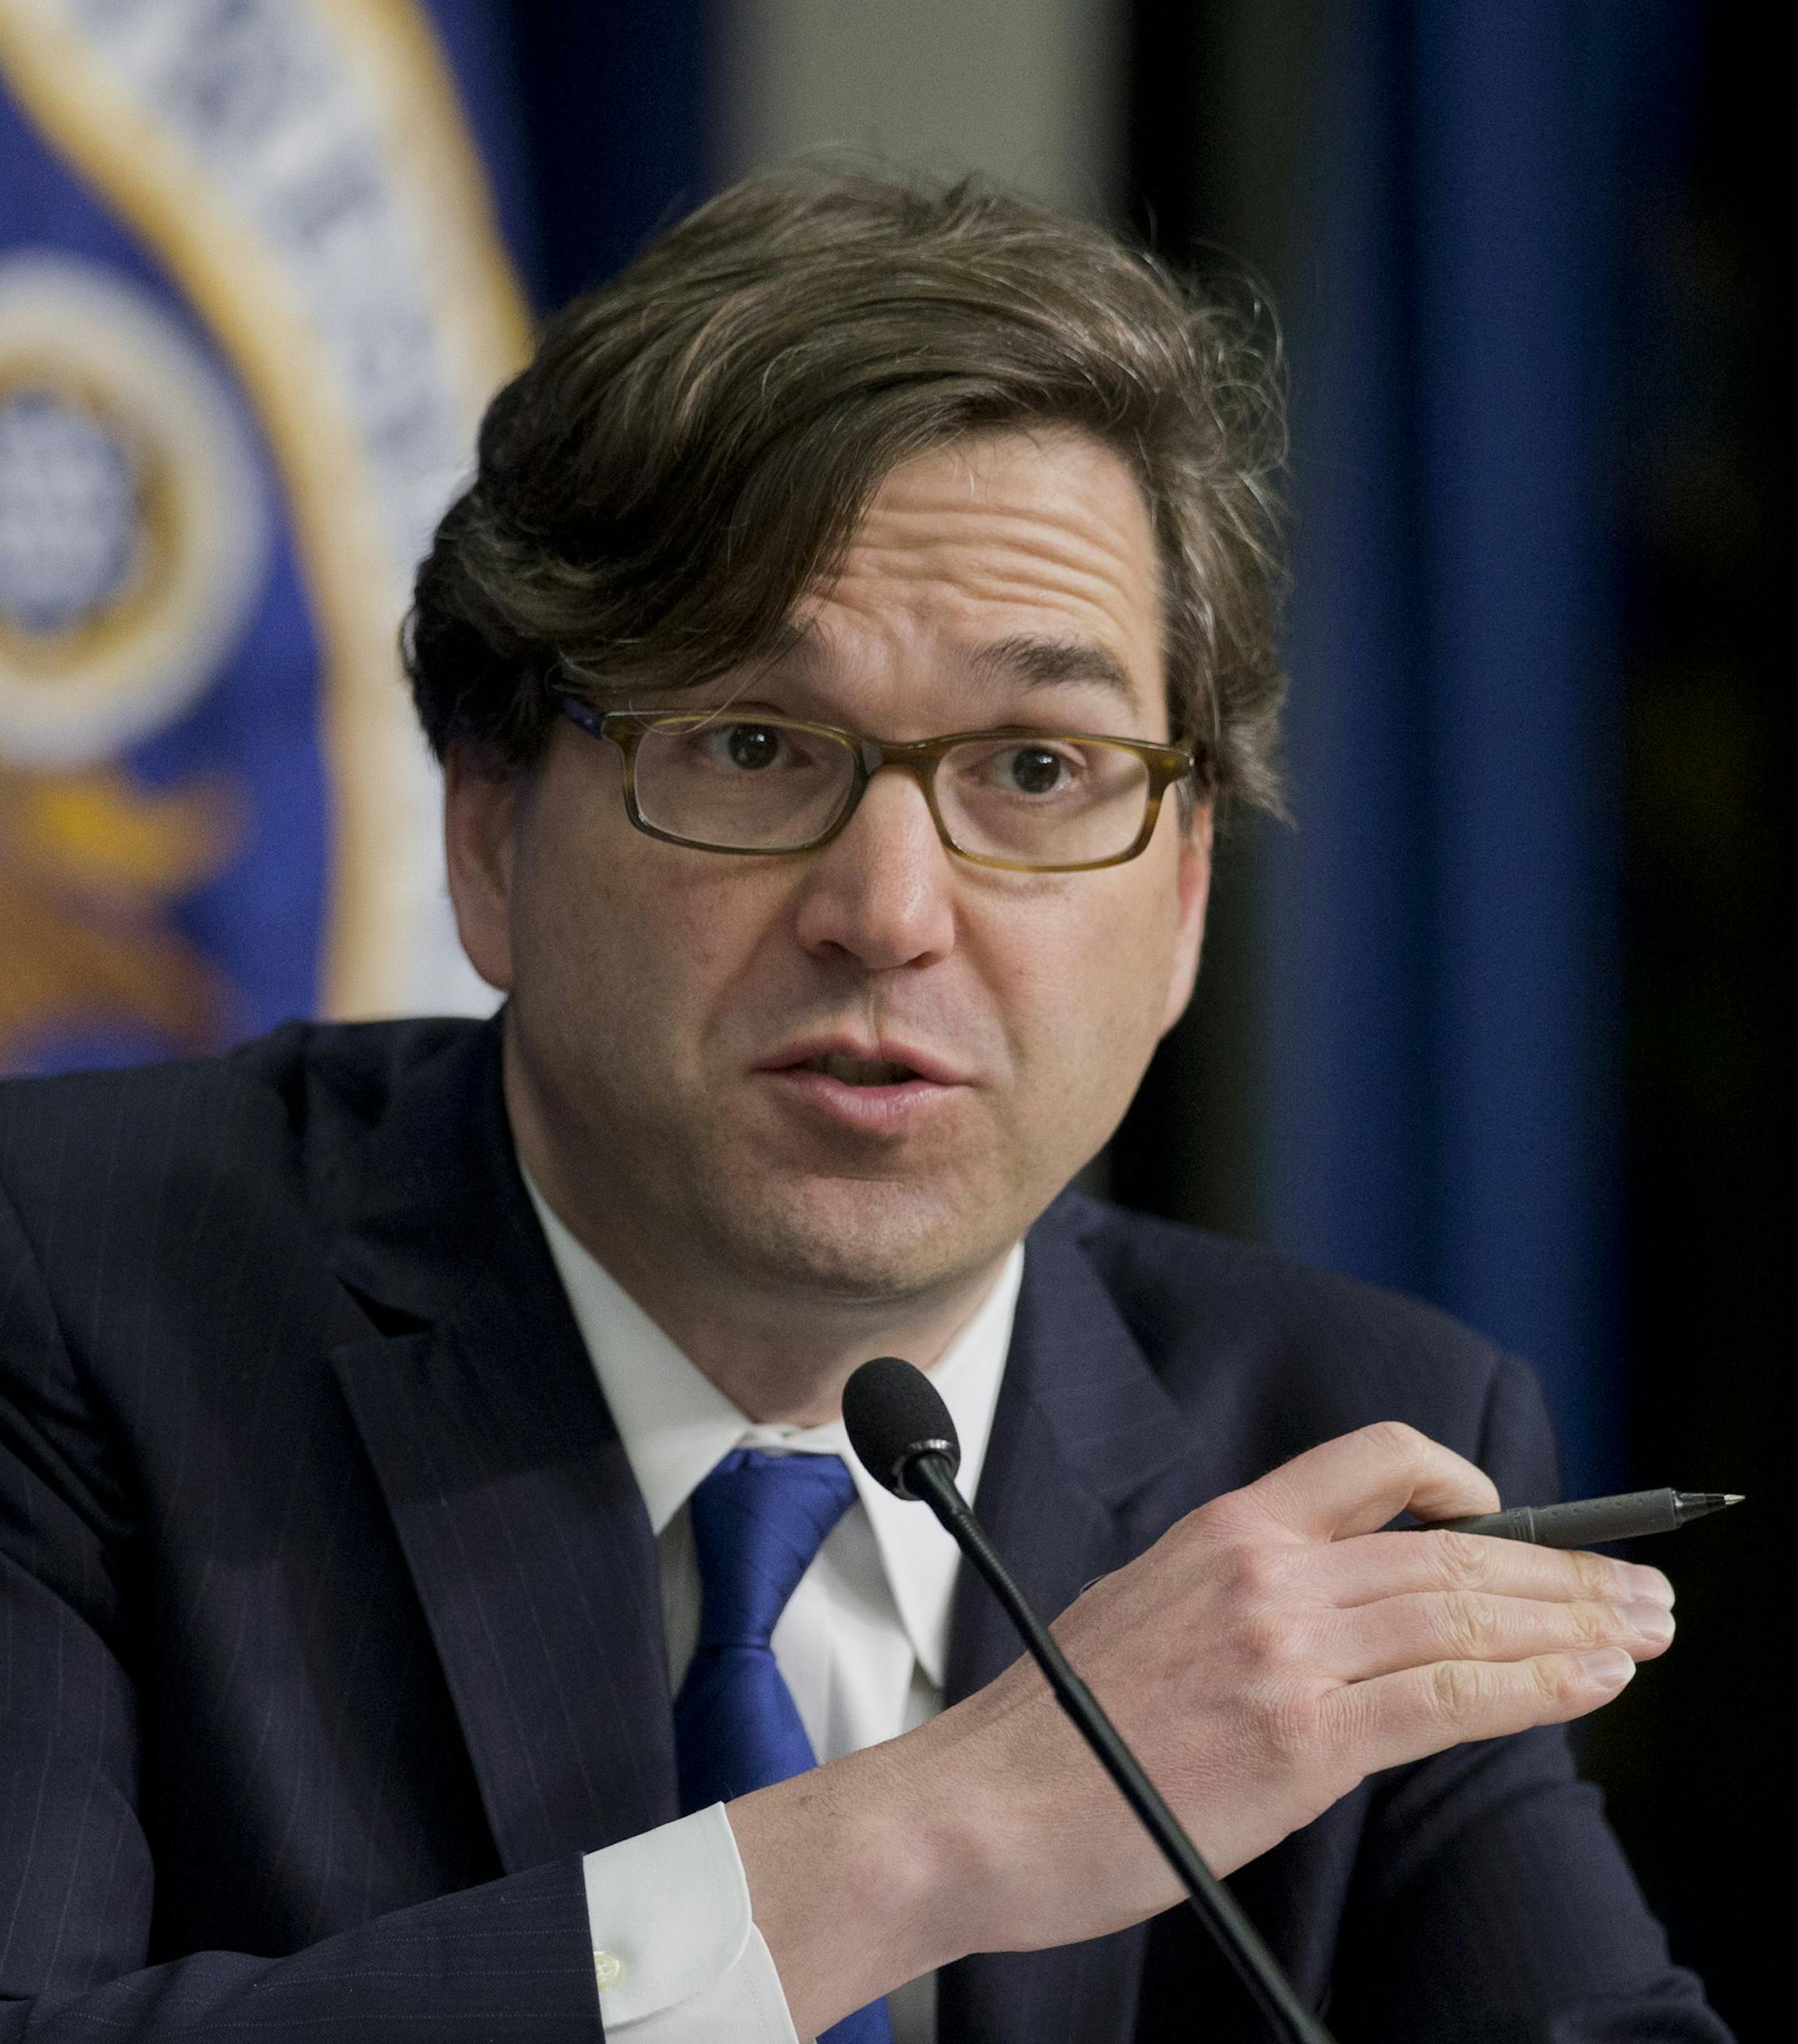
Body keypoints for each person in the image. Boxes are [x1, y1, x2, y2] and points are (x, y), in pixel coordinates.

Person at [0, 170, 1729, 2044]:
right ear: (489, 833)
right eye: (752, 746)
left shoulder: (1334, 1454)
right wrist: (927, 1837)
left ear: (1185, 900)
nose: (891, 911)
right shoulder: (80, 1291)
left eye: (1041, 767)